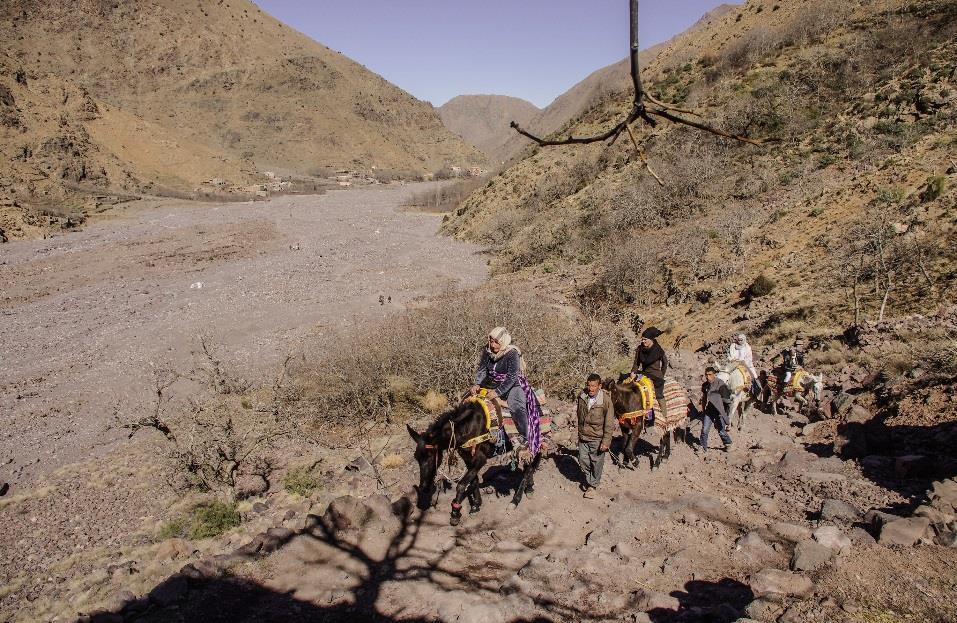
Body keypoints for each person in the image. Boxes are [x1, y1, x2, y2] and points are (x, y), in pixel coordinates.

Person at [470, 327, 541, 453]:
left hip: (513, 385)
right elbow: (482, 369)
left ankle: (525, 436)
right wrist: (477, 383)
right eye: (491, 341)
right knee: (471, 399)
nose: (492, 345)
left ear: (503, 341)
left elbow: (512, 377)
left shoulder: (512, 353)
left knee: (517, 407)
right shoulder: (487, 351)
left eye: (496, 342)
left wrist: (497, 392)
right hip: (492, 381)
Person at [576, 373, 616, 499]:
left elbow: (609, 423)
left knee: (596, 462)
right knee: (583, 460)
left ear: (600, 386)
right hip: (583, 436)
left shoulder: (605, 400)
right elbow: (579, 415)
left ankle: (592, 485)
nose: (591, 388)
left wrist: (606, 441)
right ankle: (590, 478)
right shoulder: (582, 396)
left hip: (597, 438)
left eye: (593, 386)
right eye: (589, 385)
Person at [698, 366, 733, 453]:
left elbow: (728, 403)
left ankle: (728, 444)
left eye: (710, 374)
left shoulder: (721, 385)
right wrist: (703, 410)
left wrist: (727, 416)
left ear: (714, 374)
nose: (707, 377)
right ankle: (703, 447)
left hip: (720, 411)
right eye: (706, 375)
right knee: (704, 430)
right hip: (709, 410)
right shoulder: (705, 385)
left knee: (721, 431)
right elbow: (704, 398)